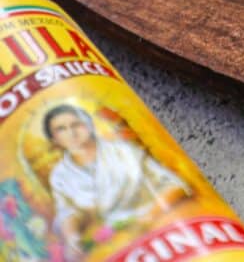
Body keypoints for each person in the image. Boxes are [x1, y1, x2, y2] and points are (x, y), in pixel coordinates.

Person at [43, 103, 190, 262]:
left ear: (87, 125)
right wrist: (72, 238)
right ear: (54, 139)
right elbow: (67, 210)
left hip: (163, 223)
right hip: (118, 238)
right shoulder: (60, 175)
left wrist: (149, 216)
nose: (72, 133)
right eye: (61, 129)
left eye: (76, 124)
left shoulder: (123, 151)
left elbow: (175, 185)